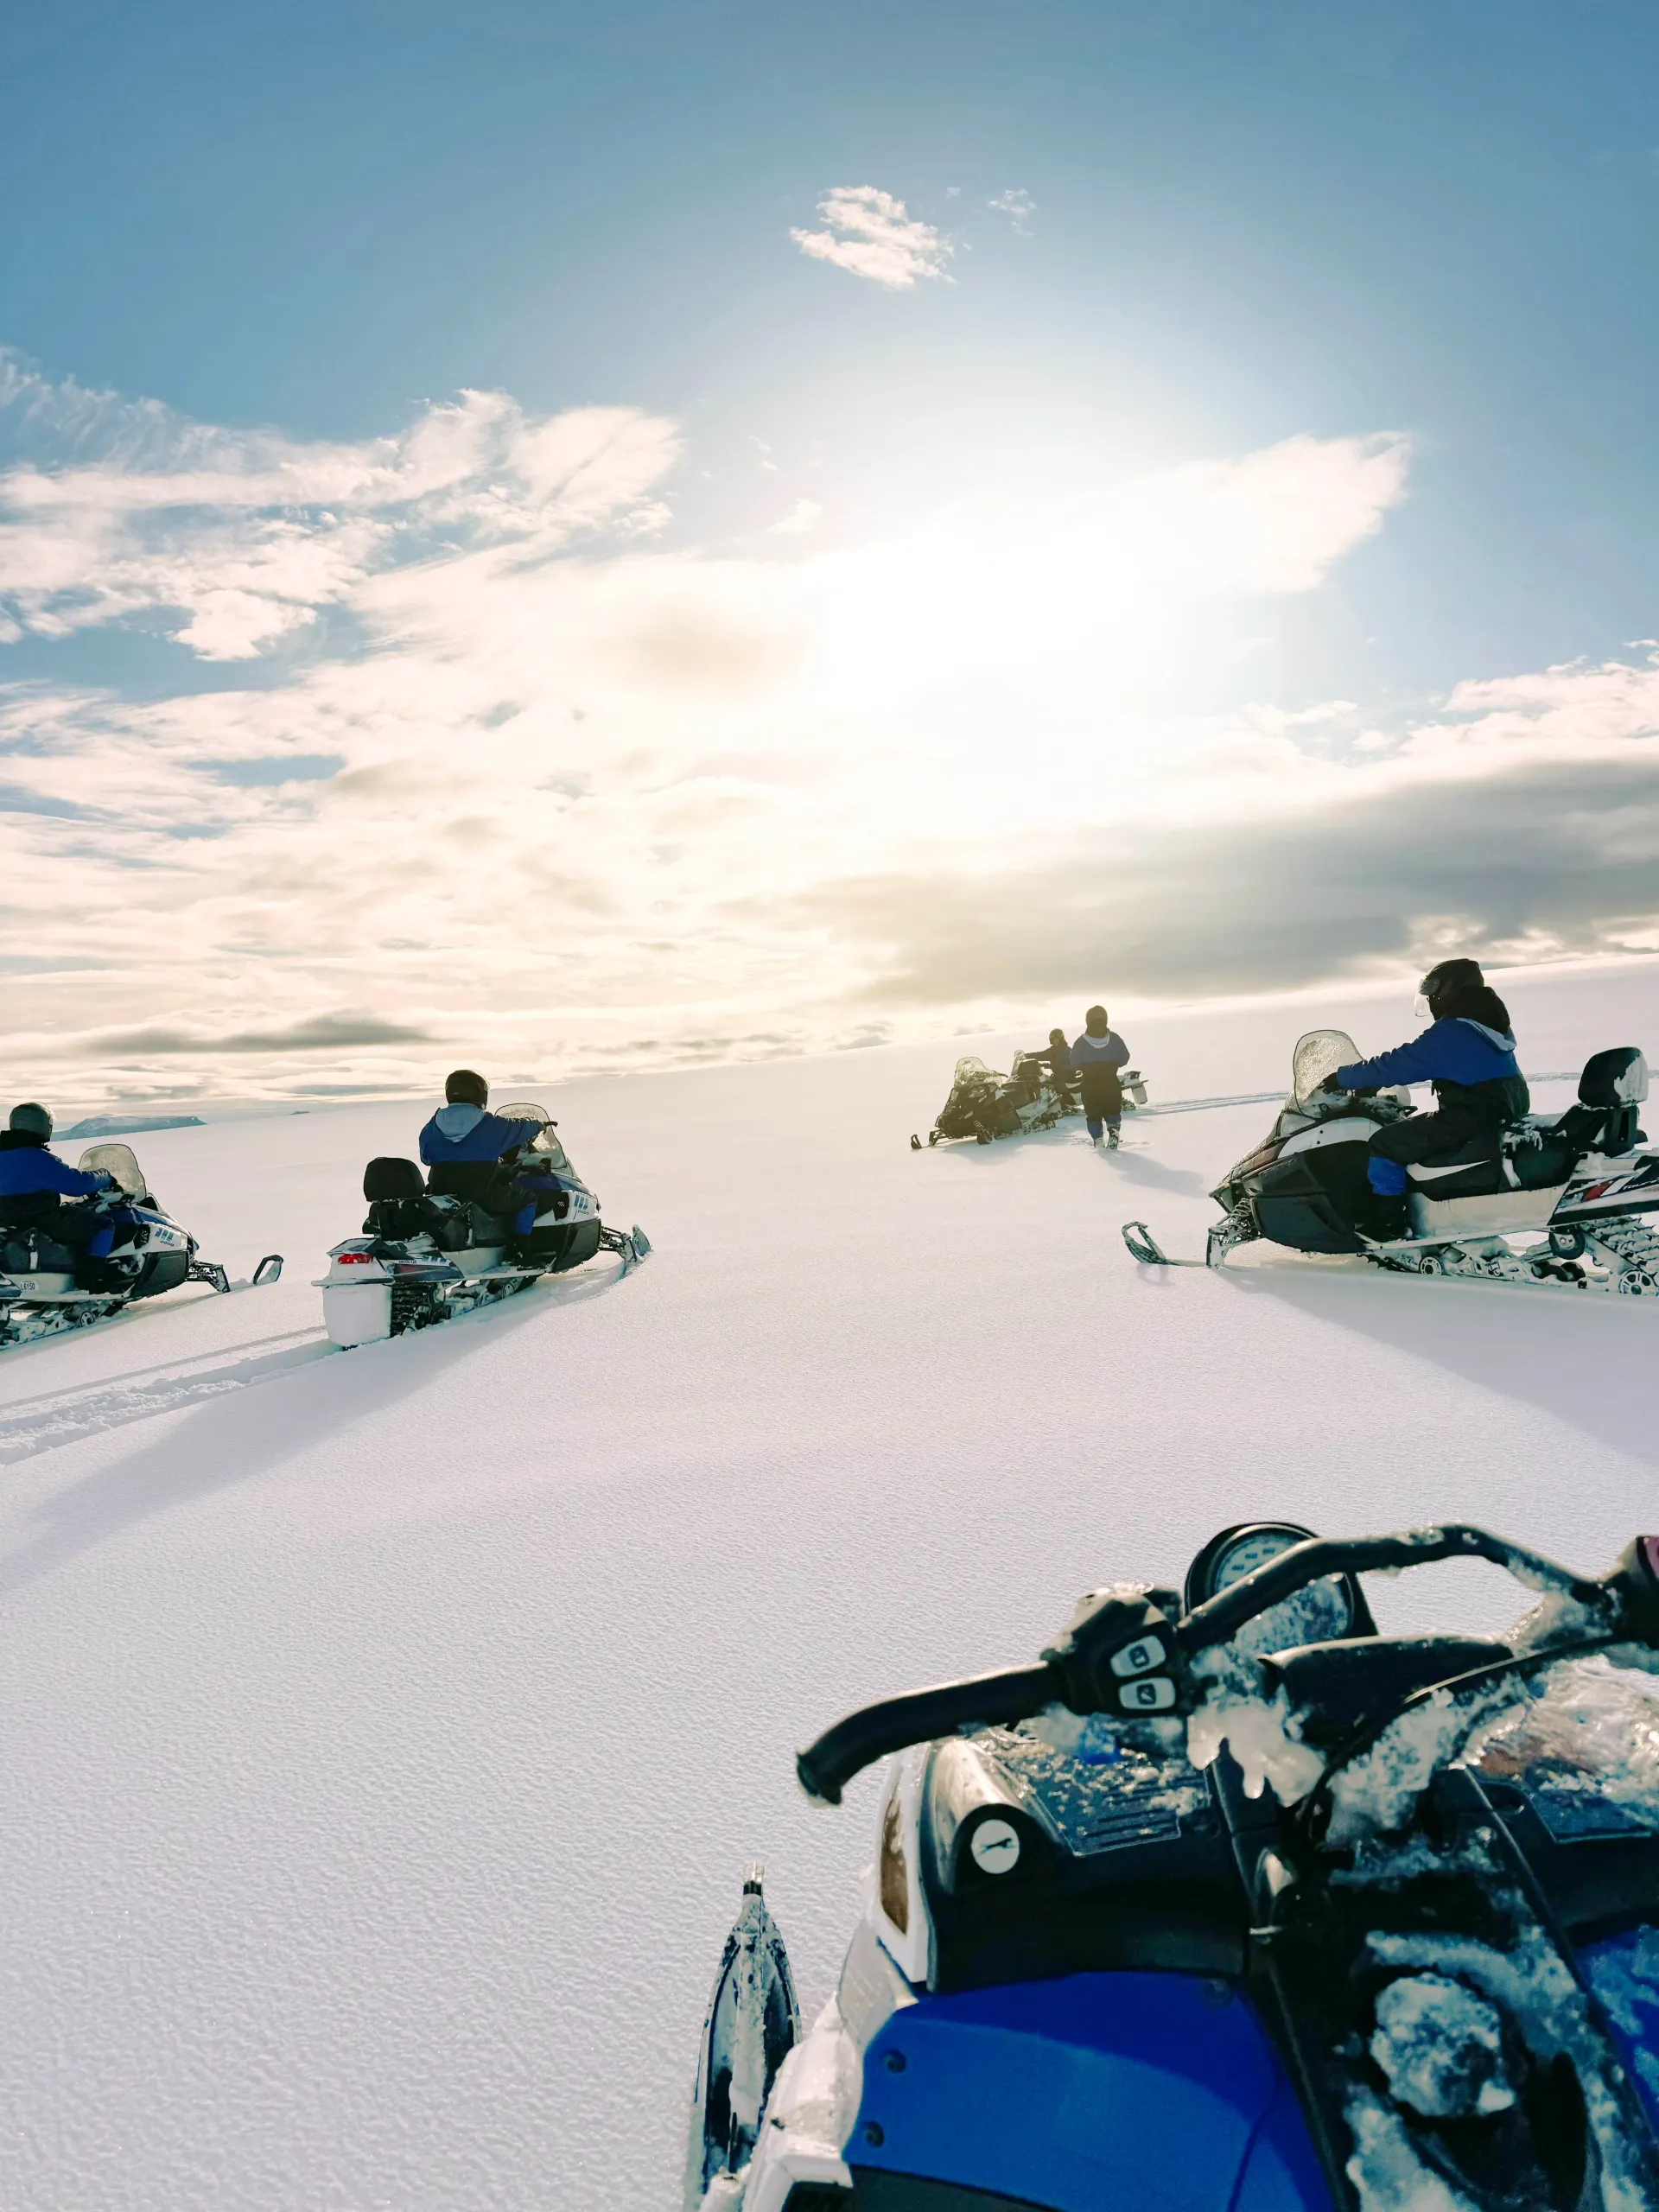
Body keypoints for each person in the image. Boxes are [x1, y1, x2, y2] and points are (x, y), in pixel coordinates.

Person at [1323, 959, 1529, 1236]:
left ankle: (1387, 1225)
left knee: (1386, 1143)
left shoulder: (1455, 1030)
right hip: (1501, 1109)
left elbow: (1400, 1064)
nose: (1431, 998)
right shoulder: (1487, 1024)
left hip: (1471, 1116)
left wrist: (1342, 1078)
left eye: (1433, 989)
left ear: (1452, 989)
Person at [0, 1102, 117, 1252]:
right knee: (104, 1225)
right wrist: (105, 1176)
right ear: (42, 1125)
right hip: (37, 1221)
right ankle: (93, 1268)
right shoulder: (36, 1158)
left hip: (7, 1222)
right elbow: (78, 1184)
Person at [418, 1070, 539, 1213]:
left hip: (441, 1196)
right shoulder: (490, 1124)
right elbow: (521, 1128)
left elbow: (425, 1158)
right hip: (484, 1199)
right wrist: (538, 1125)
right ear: (479, 1093)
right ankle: (521, 1229)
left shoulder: (432, 1125)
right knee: (528, 1197)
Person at [1072, 1006, 1131, 1148]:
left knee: (1093, 1113)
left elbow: (1073, 1062)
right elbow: (1124, 1058)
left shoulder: (1081, 1041)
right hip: (1110, 1081)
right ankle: (1113, 1131)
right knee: (1112, 1109)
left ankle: (1098, 1138)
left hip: (1090, 1084)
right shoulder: (1115, 1038)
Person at [1032, 1028, 1077, 1110]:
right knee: (1048, 1081)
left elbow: (1065, 1064)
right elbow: (1041, 1054)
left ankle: (1068, 1101)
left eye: (1056, 1039)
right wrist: (1025, 1056)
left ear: (1061, 1039)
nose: (1055, 1041)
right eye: (1053, 1040)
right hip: (1059, 1073)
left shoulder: (1066, 1050)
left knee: (1057, 1080)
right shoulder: (1052, 1050)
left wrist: (1049, 1065)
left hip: (1068, 1073)